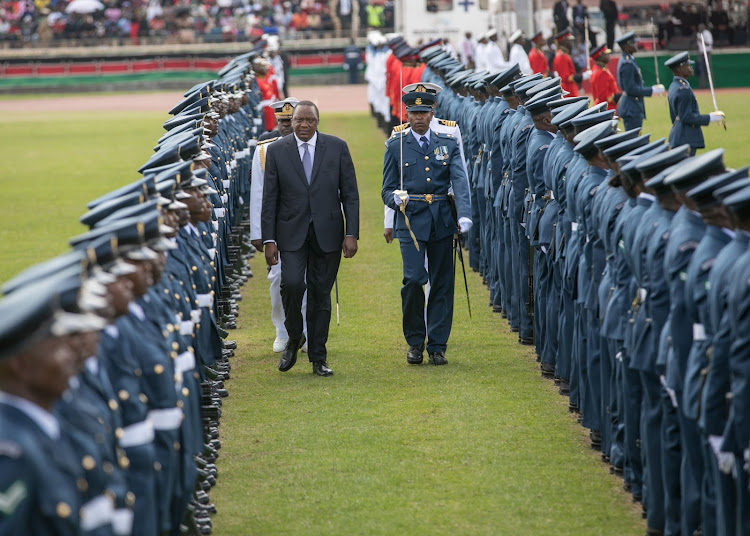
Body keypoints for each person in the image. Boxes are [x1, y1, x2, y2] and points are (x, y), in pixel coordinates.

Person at [261, 100, 360, 377]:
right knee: (291, 285)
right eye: (299, 120)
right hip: (290, 233)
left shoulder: (337, 147)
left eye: (310, 120)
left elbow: (350, 195)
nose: (304, 125)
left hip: (328, 234)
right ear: (291, 122)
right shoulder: (277, 151)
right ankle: (294, 336)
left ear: (318, 122)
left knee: (320, 295)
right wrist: (269, 239)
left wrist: (351, 233)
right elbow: (270, 199)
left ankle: (318, 356)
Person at [381, 89, 471, 366]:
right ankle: (415, 341)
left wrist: (465, 215)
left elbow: (459, 179)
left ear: (432, 114)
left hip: (442, 219)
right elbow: (386, 188)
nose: (419, 118)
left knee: (442, 283)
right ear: (406, 115)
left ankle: (437, 345)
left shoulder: (447, 141)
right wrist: (395, 199)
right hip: (410, 222)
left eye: (424, 113)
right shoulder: (396, 144)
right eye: (414, 113)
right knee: (413, 280)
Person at [250, 98, 308, 354]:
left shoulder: (314, 145)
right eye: (282, 121)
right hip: (278, 227)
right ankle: (282, 331)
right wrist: (258, 233)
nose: (286, 126)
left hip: (308, 224)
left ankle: (305, 331)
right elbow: (258, 194)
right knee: (278, 279)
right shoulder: (264, 150)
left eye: (290, 120)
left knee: (307, 280)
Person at [665, 51, 725, 156]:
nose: (690, 68)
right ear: (680, 69)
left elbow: (674, 116)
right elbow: (686, 117)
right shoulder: (683, 89)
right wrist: (711, 117)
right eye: (687, 65)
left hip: (679, 136)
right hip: (685, 138)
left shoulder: (674, 86)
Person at [616, 31, 665, 131]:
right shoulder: (627, 63)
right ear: (626, 46)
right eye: (633, 43)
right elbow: (630, 89)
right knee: (633, 141)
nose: (636, 45)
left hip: (633, 106)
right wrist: (652, 90)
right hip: (631, 107)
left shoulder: (629, 60)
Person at [590, 44, 619, 110]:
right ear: (600, 56)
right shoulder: (601, 72)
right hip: (607, 109)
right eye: (606, 54)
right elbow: (604, 97)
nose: (609, 56)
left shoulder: (599, 69)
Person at [553, 30, 580, 97]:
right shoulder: (562, 56)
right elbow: (566, 78)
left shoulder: (564, 54)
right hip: (568, 89)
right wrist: (582, 76)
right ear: (563, 41)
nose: (571, 43)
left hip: (569, 88)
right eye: (569, 40)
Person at [697, 23, 713, 90]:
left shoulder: (707, 33)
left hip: (707, 52)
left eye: (701, 27)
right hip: (701, 52)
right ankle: (702, 85)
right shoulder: (698, 34)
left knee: (708, 69)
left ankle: (711, 85)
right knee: (701, 69)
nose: (700, 29)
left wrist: (701, 40)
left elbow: (709, 43)